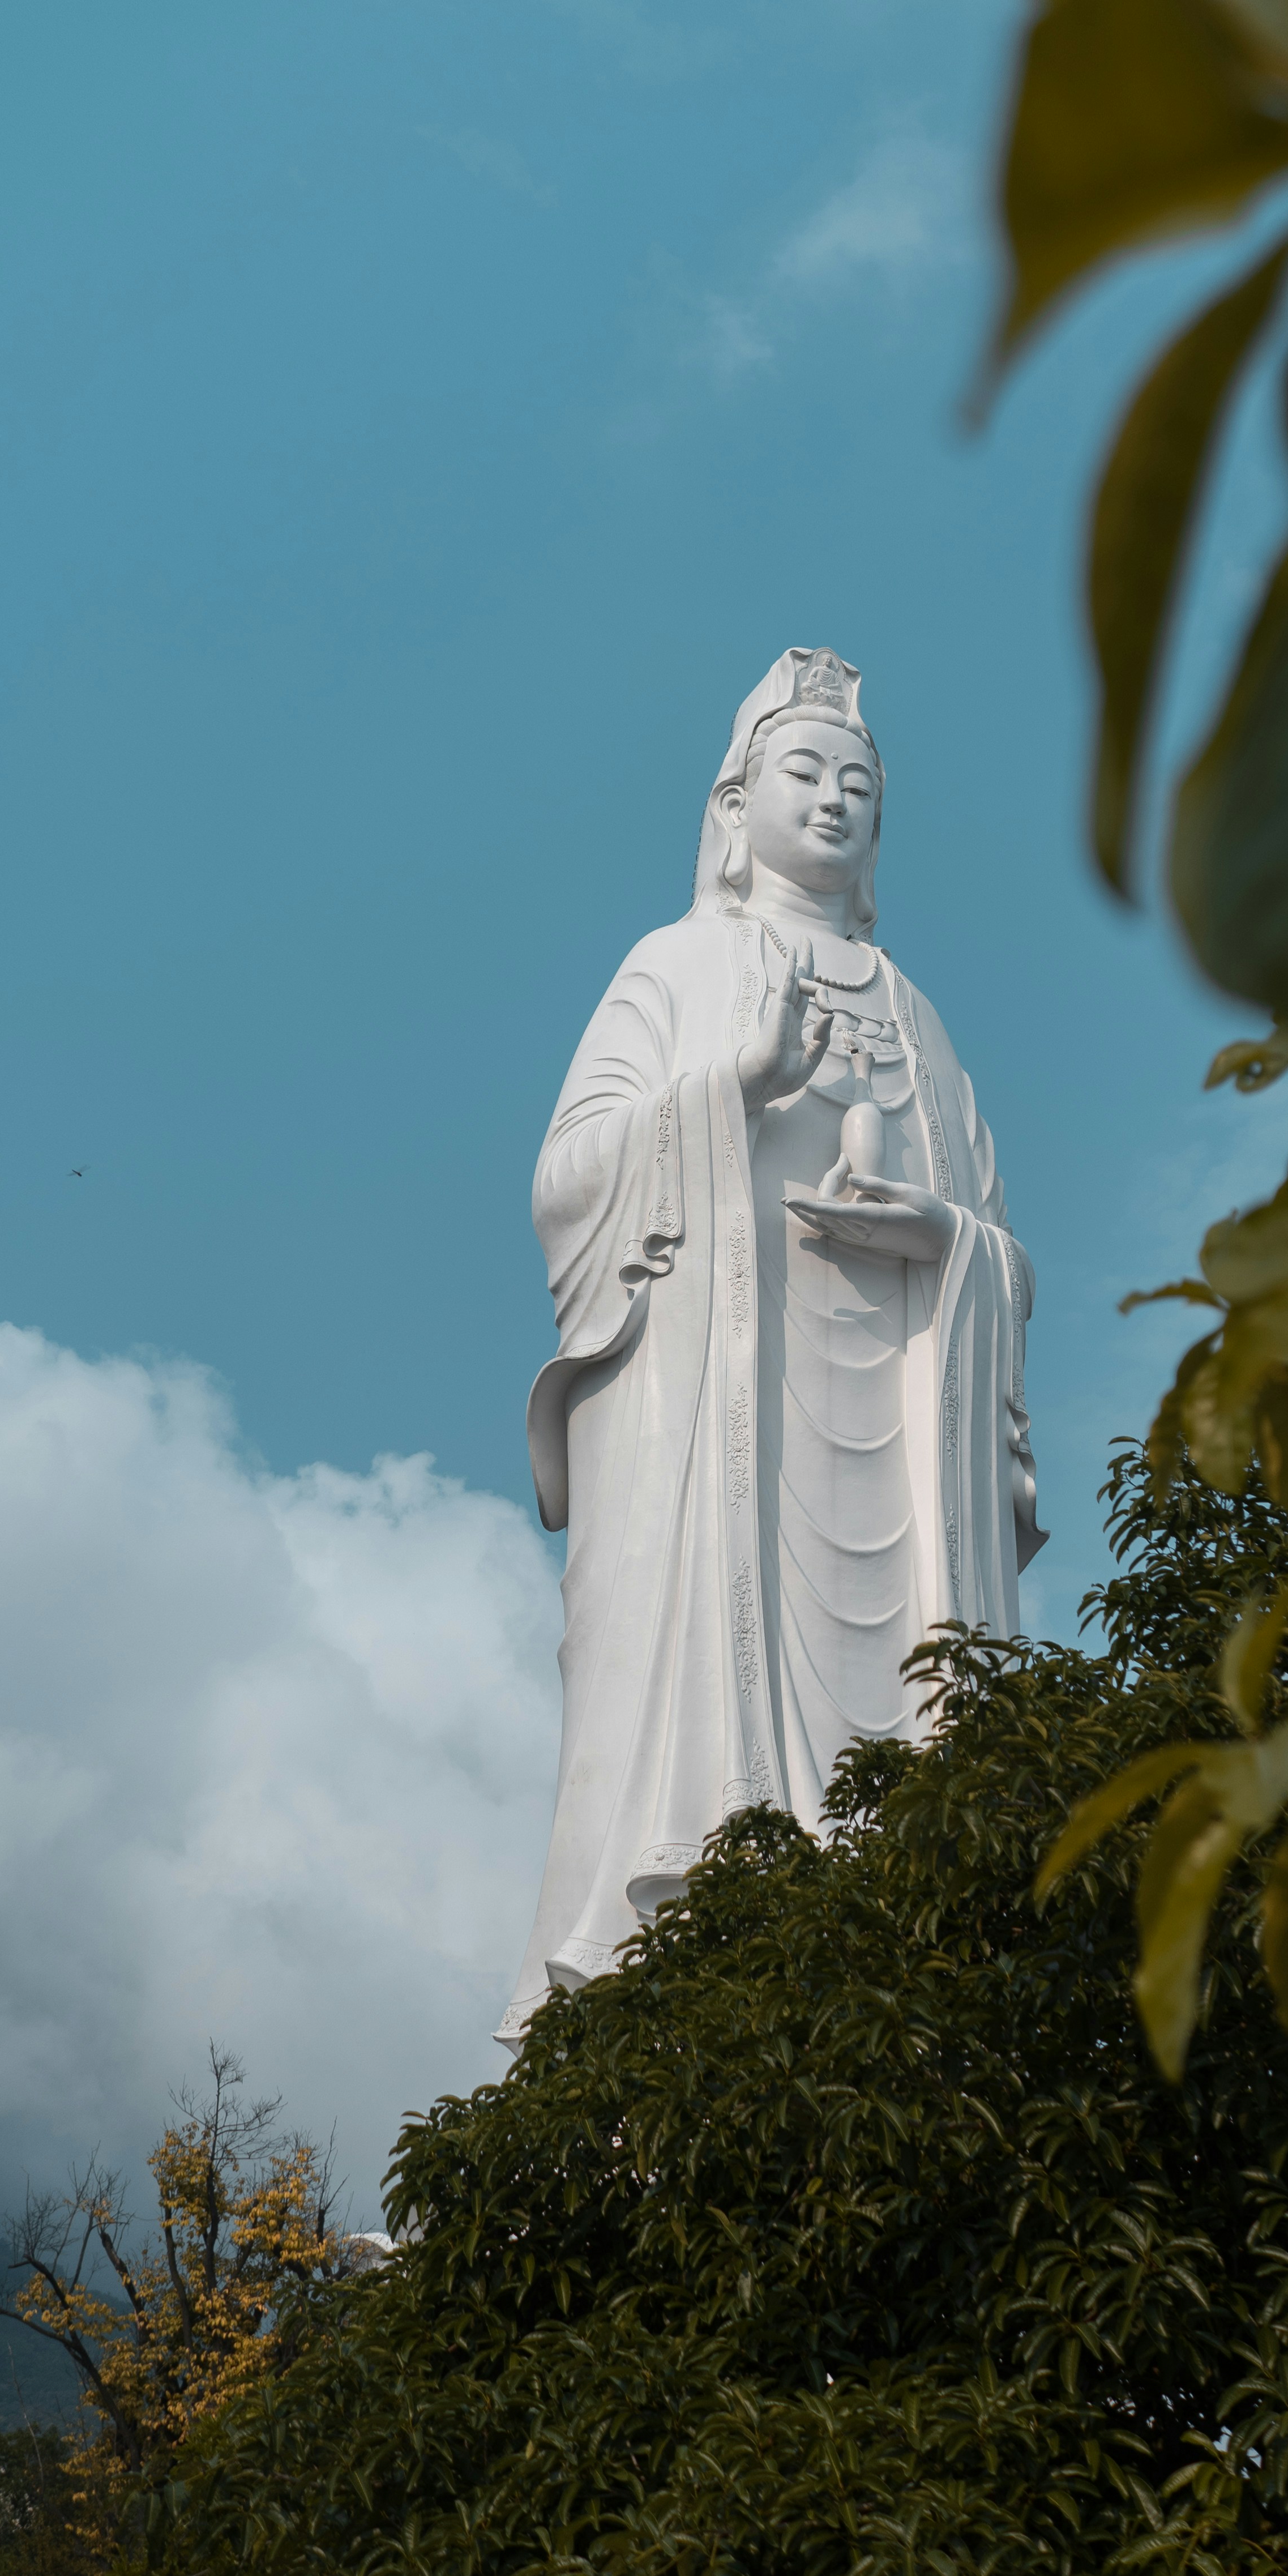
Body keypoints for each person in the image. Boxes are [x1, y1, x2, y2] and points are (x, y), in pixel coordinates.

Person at [496, 647, 1044, 2039]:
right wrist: (725, 1090)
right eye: (803, 772)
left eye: (860, 782)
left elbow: (996, 1239)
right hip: (712, 1410)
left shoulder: (915, 1014)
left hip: (898, 1436)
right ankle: (644, 1991)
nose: (835, 798)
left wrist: (944, 1239)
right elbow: (568, 1182)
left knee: (919, 1723)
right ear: (734, 807)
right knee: (679, 1697)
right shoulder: (675, 965)